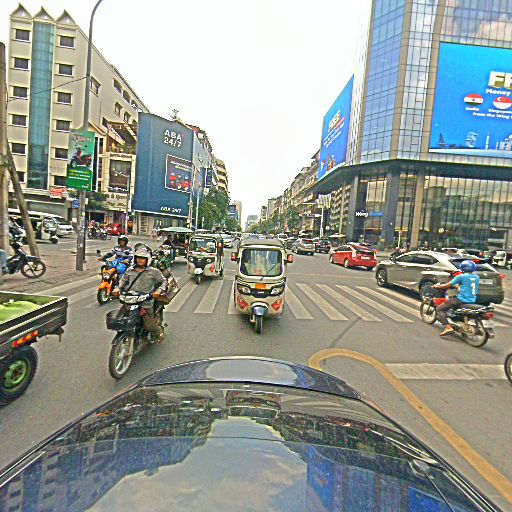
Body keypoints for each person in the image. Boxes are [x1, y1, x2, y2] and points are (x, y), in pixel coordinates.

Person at [113, 247, 168, 343]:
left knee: (149, 325)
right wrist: (117, 288)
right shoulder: (130, 270)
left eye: (142, 258)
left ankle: (158, 332)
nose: (140, 260)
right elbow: (123, 281)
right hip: (130, 299)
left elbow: (164, 281)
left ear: (147, 260)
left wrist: (159, 291)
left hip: (145, 301)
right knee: (119, 320)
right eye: (138, 258)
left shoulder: (154, 271)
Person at [432, 259, 480, 337]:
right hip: (472, 300)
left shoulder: (461, 276)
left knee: (439, 309)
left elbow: (447, 285)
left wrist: (437, 286)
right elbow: (467, 285)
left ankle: (447, 327)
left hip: (461, 300)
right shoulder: (477, 277)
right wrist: (458, 286)